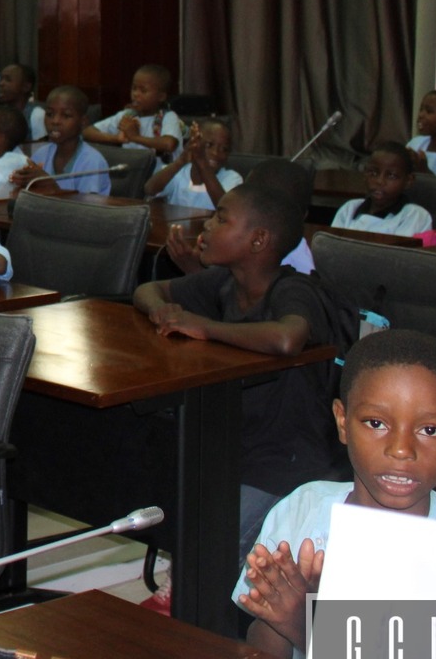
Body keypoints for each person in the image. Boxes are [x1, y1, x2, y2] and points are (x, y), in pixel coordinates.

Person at [234, 329, 436, 659]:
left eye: (429, 430)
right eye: (376, 423)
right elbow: (262, 646)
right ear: (343, 422)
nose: (401, 450)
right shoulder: (302, 508)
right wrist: (281, 619)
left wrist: (307, 625)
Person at [135, 185, 343, 560]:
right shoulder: (224, 282)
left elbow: (286, 338)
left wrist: (203, 325)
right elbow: (150, 289)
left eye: (221, 217)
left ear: (258, 240)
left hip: (286, 463)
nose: (208, 225)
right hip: (233, 445)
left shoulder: (294, 289)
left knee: (212, 542)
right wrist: (161, 311)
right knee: (164, 502)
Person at [12, 85, 111, 195]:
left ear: (83, 122)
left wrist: (50, 185)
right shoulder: (41, 154)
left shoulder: (93, 161)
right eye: (50, 114)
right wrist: (23, 181)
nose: (55, 121)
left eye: (66, 115)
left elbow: (86, 209)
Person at [329, 142, 433, 236]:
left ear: (408, 181)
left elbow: (397, 255)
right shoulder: (349, 209)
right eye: (373, 173)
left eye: (391, 176)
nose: (380, 181)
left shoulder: (415, 215)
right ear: (365, 174)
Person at [83, 64, 183, 157]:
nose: (136, 94)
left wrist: (135, 137)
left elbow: (169, 144)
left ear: (161, 96)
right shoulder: (127, 116)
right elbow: (87, 132)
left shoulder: (168, 117)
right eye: (134, 88)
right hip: (134, 173)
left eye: (143, 91)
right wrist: (117, 138)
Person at [144, 119, 242, 212]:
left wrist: (202, 162)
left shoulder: (232, 179)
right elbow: (150, 189)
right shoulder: (179, 171)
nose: (215, 153)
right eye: (209, 145)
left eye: (224, 149)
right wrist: (181, 161)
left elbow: (224, 208)